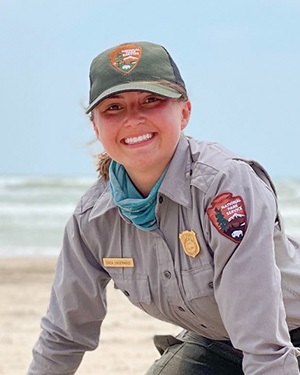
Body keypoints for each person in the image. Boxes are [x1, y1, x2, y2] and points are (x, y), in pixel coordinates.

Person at [27, 41, 300, 375]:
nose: (133, 119)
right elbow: (63, 336)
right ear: (96, 127)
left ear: (184, 112)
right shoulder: (93, 220)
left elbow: (264, 346)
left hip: (283, 334)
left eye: (151, 101)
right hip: (215, 340)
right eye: (114, 108)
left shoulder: (225, 188)